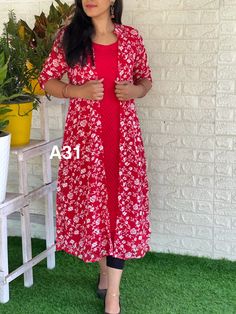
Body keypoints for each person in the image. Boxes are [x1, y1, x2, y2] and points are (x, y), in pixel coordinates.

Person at [38, 1, 153, 313]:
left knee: (120, 207)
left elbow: (145, 78)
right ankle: (103, 272)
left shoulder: (131, 38)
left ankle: (112, 297)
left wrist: (136, 91)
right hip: (85, 142)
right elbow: (46, 79)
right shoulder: (69, 37)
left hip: (124, 141)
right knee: (97, 206)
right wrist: (77, 92)